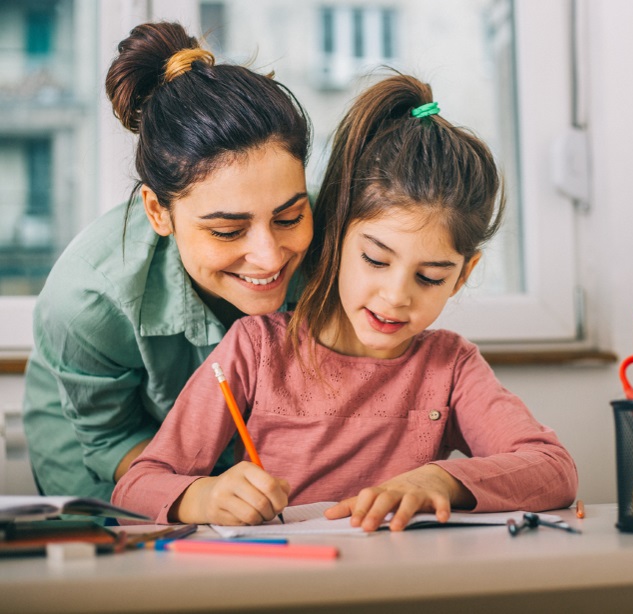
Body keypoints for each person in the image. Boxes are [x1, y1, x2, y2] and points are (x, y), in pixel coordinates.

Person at [113, 74, 578, 531]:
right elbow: (136, 485)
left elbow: (554, 469)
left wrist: (439, 479)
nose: (396, 297)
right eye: (376, 260)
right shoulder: (257, 349)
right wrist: (204, 496)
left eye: (430, 277)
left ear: (463, 276)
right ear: (335, 237)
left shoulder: (450, 367)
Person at [22, 21, 313, 503]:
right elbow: (109, 439)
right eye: (227, 230)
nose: (268, 256)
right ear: (159, 212)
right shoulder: (87, 300)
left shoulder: (342, 242)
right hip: (108, 450)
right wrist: (198, 494)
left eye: (289, 216)